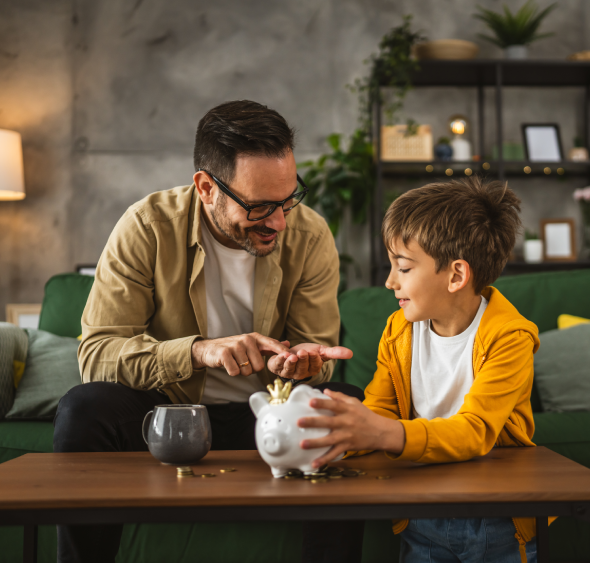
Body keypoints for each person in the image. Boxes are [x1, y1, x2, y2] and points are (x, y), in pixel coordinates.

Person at [53, 100, 365, 563]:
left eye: (287, 200)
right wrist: (200, 352)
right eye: (260, 206)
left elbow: (313, 357)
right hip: (167, 414)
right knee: (85, 407)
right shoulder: (146, 226)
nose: (279, 221)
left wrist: (300, 365)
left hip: (266, 416)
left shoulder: (310, 234)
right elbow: (97, 355)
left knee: (343, 402)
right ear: (206, 187)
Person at [297, 176, 543, 563]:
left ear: (456, 275)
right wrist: (338, 435)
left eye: (404, 267)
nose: (389, 281)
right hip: (421, 511)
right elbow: (380, 408)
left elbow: (475, 431)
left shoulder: (510, 338)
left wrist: (383, 432)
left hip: (495, 517)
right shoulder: (399, 330)